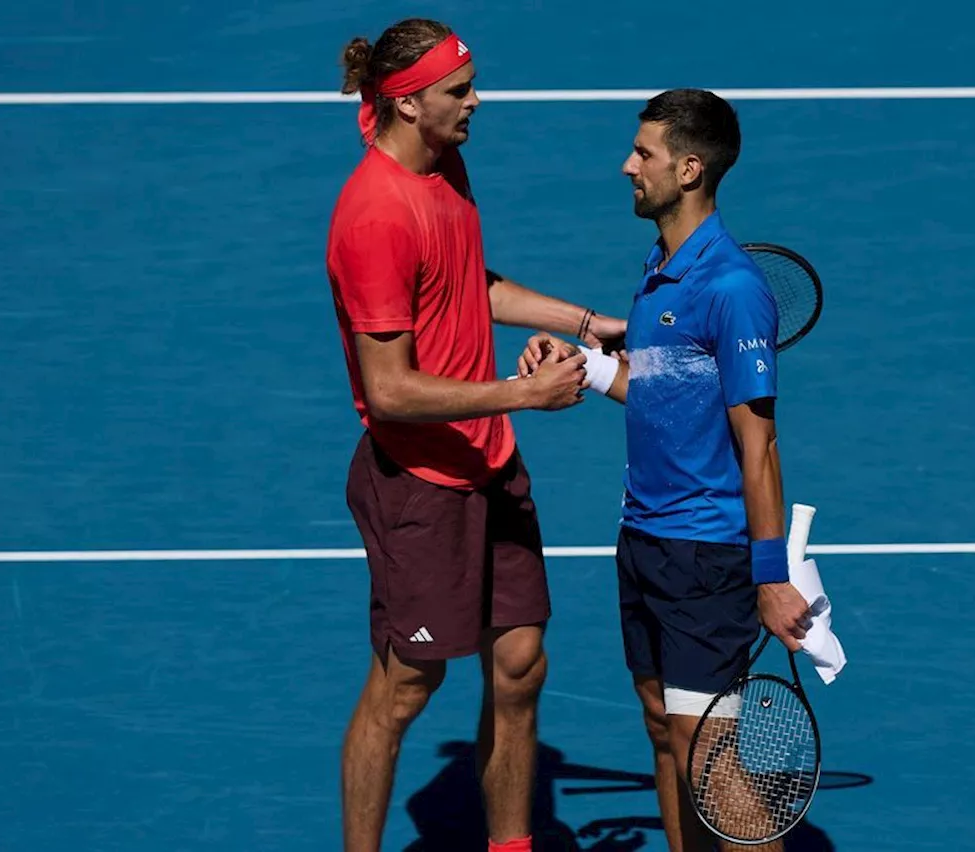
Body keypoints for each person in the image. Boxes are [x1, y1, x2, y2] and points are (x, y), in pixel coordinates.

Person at [324, 17, 627, 852]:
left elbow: (469, 283)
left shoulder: (441, 161)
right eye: (460, 91)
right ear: (410, 103)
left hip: (488, 462)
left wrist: (589, 321)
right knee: (405, 688)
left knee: (521, 665)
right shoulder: (374, 218)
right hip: (420, 483)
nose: (476, 101)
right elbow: (387, 390)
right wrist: (521, 395)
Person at [516, 88, 812, 851]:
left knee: (710, 758)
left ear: (688, 169)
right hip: (643, 540)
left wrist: (772, 575)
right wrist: (580, 361)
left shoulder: (733, 289)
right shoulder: (660, 269)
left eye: (642, 152)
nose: (627, 166)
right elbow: (652, 387)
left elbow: (761, 447)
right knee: (663, 729)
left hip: (705, 556)